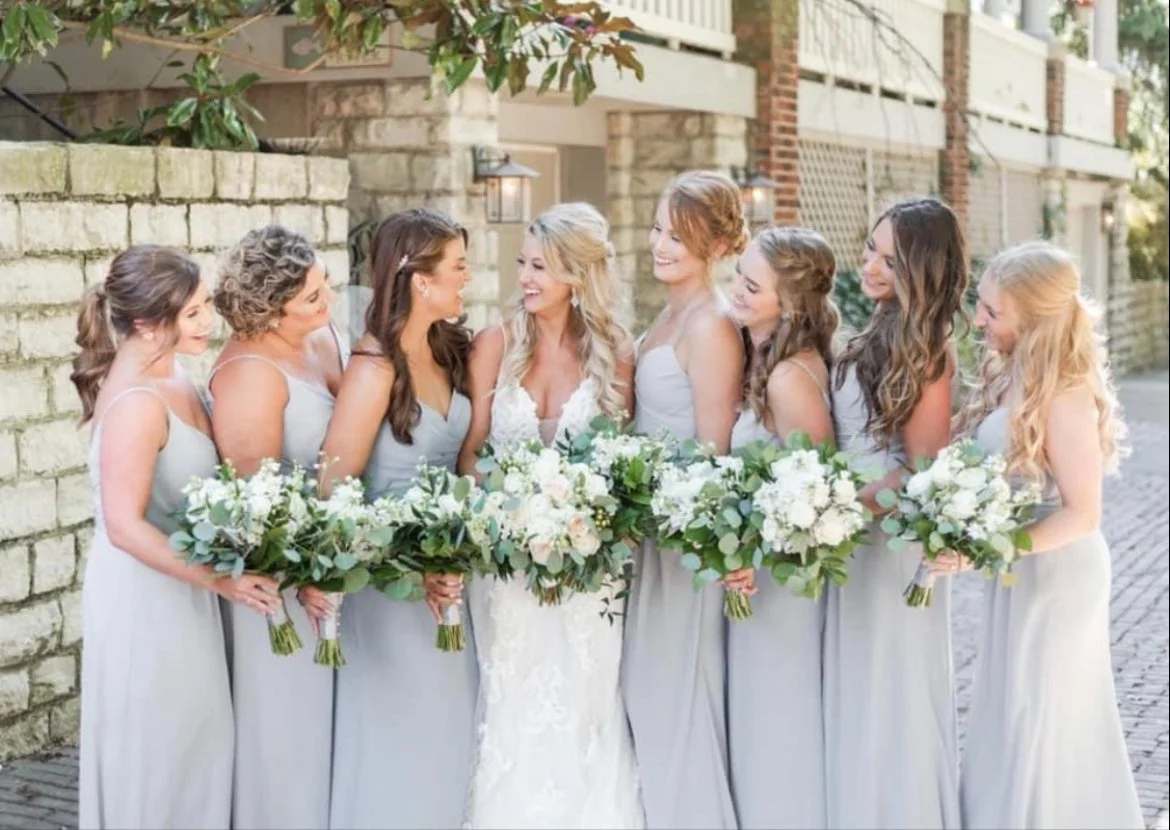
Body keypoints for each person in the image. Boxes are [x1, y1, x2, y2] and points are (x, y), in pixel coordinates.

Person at [934, 240, 1143, 829]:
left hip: (1057, 573)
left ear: (1034, 316)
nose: (978, 319)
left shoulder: (1066, 393)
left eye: (992, 311)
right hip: (1018, 567)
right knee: (1009, 708)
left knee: (1040, 713)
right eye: (981, 305)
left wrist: (984, 550)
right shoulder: (1010, 373)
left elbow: (1082, 513)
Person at [75, 246, 280, 829]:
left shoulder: (176, 375)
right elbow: (124, 526)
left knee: (199, 740)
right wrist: (225, 581)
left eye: (205, 306)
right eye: (192, 314)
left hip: (184, 586)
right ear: (145, 323)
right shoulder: (138, 402)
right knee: (161, 750)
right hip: (145, 600)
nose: (207, 322)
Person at [458, 202, 643, 829]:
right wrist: (506, 516)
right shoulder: (494, 343)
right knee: (510, 702)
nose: (525, 278)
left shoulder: (615, 353)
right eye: (522, 264)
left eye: (541, 265)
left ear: (577, 274)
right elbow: (474, 452)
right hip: (506, 568)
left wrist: (577, 517)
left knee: (586, 702)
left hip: (588, 572)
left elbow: (621, 468)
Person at [321, 208, 479, 830]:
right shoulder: (373, 370)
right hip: (388, 591)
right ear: (420, 280)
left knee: (451, 730)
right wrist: (410, 569)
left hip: (452, 582)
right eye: (459, 267)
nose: (467, 279)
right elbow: (334, 494)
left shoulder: (450, 350)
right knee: (403, 738)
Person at [824, 197, 966, 828]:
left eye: (889, 259)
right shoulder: (873, 327)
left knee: (889, 691)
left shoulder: (929, 350)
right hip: (844, 536)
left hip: (887, 545)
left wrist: (839, 505)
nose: (870, 266)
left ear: (922, 270)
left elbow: (920, 471)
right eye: (869, 250)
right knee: (853, 691)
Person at [207, 225, 346, 830]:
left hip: (328, 565)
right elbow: (251, 502)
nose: (328, 304)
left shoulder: (319, 340)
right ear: (268, 308)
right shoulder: (247, 374)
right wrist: (303, 574)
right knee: (284, 736)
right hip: (278, 585)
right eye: (312, 298)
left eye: (326, 288)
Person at [620, 171, 746, 830]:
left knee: (676, 694)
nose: (660, 244)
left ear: (718, 243)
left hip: (686, 544)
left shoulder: (713, 326)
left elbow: (713, 453)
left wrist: (666, 511)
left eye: (679, 235)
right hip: (648, 538)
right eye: (659, 229)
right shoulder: (669, 315)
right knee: (646, 693)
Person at [725, 226, 839, 830]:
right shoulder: (766, 358)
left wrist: (752, 554)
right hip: (758, 576)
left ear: (788, 302)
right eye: (737, 277)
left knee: (776, 719)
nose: (735, 292)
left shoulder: (790, 378)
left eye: (750, 284)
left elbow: (816, 499)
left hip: (778, 585)